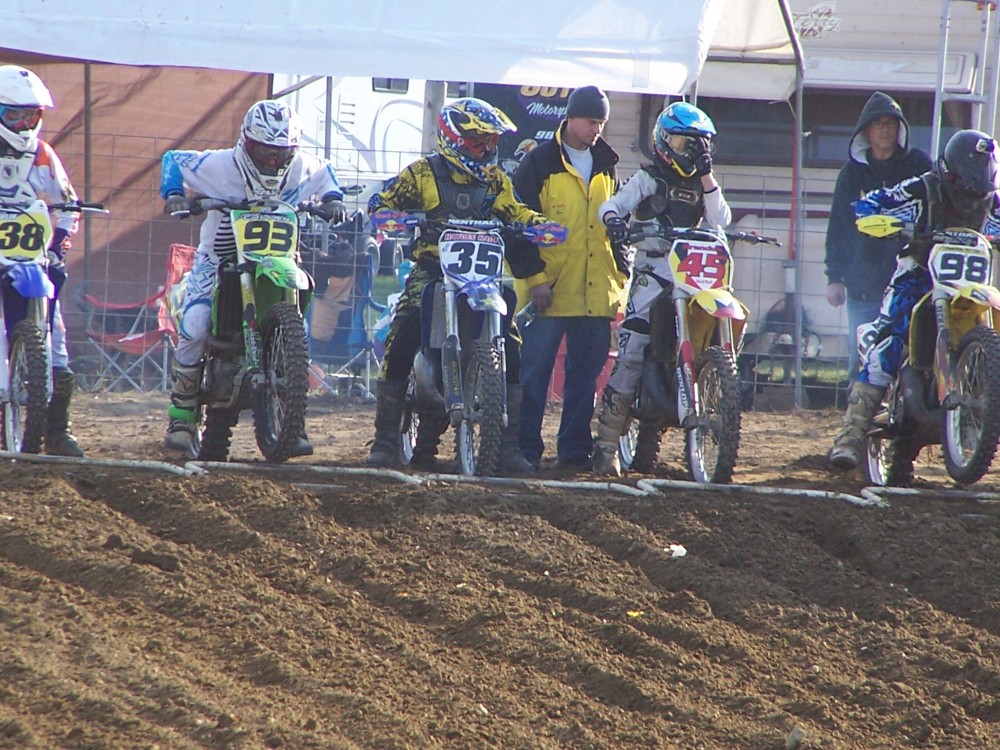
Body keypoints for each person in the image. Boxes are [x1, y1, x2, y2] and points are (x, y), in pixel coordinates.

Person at [364, 97, 555, 473]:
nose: (485, 149)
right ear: (453, 140)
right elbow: (381, 202)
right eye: (476, 141)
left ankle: (506, 446)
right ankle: (386, 439)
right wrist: (392, 217)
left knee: (511, 343)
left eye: (490, 141)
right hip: (433, 268)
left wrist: (539, 224)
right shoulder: (423, 173)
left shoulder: (496, 180)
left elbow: (517, 211)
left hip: (482, 276)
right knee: (403, 331)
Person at [160, 99, 346, 455]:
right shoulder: (221, 165)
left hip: (278, 261)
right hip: (218, 260)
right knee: (196, 324)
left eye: (281, 153)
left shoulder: (301, 166)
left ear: (293, 149)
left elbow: (325, 172)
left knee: (298, 327)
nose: (272, 161)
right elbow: (174, 160)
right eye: (264, 152)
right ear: (246, 142)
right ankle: (182, 415)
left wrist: (333, 198)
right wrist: (173, 195)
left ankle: (293, 420)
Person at [829, 129, 1000, 470]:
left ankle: (978, 414)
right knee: (888, 344)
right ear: (950, 174)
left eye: (978, 189)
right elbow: (868, 205)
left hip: (969, 285)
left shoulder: (992, 201)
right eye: (966, 187)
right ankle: (852, 433)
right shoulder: (921, 189)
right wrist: (887, 224)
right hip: (918, 278)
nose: (971, 195)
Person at [591, 101, 732, 476]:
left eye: (700, 146)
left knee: (712, 331)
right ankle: (606, 445)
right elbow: (611, 205)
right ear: (665, 143)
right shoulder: (649, 178)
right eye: (687, 145)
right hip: (654, 270)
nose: (693, 153)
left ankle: (714, 392)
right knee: (634, 346)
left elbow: (721, 218)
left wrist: (706, 174)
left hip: (694, 274)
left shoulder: (703, 184)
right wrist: (615, 221)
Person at [512, 85, 626, 470]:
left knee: (584, 379)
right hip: (549, 292)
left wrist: (620, 275)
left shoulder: (608, 165)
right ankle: (525, 450)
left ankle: (574, 453)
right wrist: (535, 280)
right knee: (533, 376)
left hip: (595, 295)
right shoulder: (539, 162)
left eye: (602, 123)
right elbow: (518, 226)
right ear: (571, 118)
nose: (597, 129)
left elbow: (617, 226)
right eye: (592, 121)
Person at [0, 64, 85, 457]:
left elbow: (69, 205)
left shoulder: (43, 155)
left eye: (30, 115)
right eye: (13, 114)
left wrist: (59, 246)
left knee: (56, 336)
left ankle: (58, 430)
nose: (23, 124)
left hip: (29, 255)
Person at [825, 92, 932, 384]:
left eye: (891, 123)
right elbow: (839, 225)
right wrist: (834, 277)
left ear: (900, 128)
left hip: (911, 280)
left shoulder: (920, 165)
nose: (885, 130)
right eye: (878, 124)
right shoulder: (852, 172)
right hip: (864, 282)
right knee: (862, 362)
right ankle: (857, 412)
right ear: (866, 130)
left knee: (914, 358)